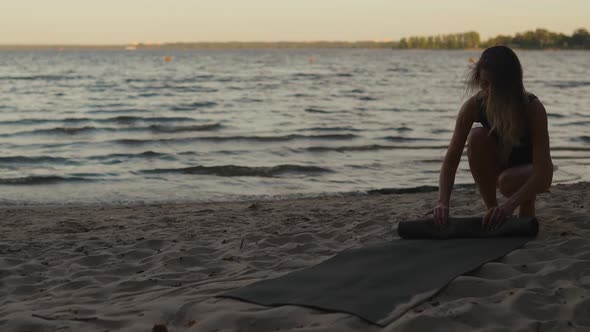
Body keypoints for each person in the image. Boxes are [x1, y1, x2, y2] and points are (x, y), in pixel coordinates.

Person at [433, 46, 553, 231]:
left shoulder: (532, 108)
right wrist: (442, 202)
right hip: (499, 163)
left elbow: (544, 173)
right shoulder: (473, 107)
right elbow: (451, 160)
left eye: (492, 85)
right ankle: (492, 209)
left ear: (509, 84)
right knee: (476, 136)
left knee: (507, 181)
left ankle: (527, 203)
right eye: (483, 84)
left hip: (530, 171)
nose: (487, 91)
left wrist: (509, 206)